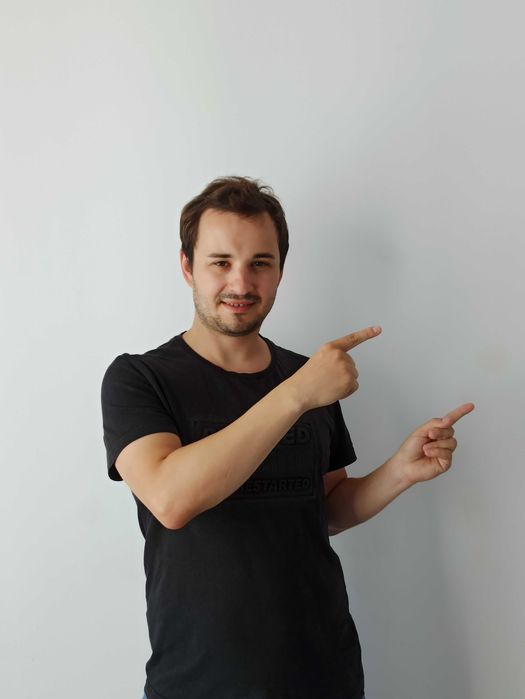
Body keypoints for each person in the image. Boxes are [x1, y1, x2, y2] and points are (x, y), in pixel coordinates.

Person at [100, 175, 474, 699]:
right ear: (187, 267)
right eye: (220, 262)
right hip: (199, 682)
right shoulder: (139, 378)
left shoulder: (307, 376)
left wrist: (399, 472)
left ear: (280, 270)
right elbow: (170, 499)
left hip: (325, 674)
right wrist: (297, 394)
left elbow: (326, 509)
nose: (241, 283)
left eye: (260, 263)